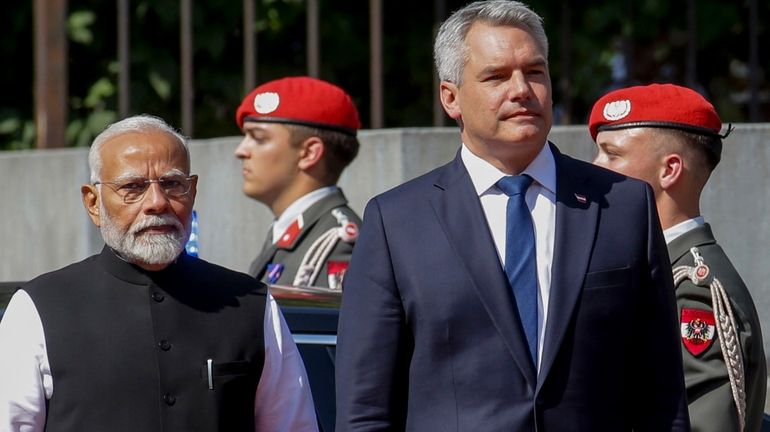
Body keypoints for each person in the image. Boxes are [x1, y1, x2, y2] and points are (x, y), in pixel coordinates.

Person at [335, 1, 690, 430]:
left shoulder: (622, 205)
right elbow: (365, 409)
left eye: (535, 72)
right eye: (496, 77)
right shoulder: (398, 221)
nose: (521, 89)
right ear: (451, 98)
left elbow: (662, 395)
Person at [0, 115, 318, 432]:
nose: (157, 202)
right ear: (93, 202)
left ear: (192, 191)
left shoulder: (250, 305)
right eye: (133, 187)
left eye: (172, 184)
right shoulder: (40, 308)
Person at [589, 83, 766, 432]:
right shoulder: (655, 270)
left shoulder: (692, 289)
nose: (595, 168)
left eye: (612, 154)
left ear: (669, 170)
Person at [234, 76, 362, 289]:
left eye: (258, 138)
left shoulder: (337, 244)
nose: (240, 151)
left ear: (309, 153)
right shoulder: (290, 232)